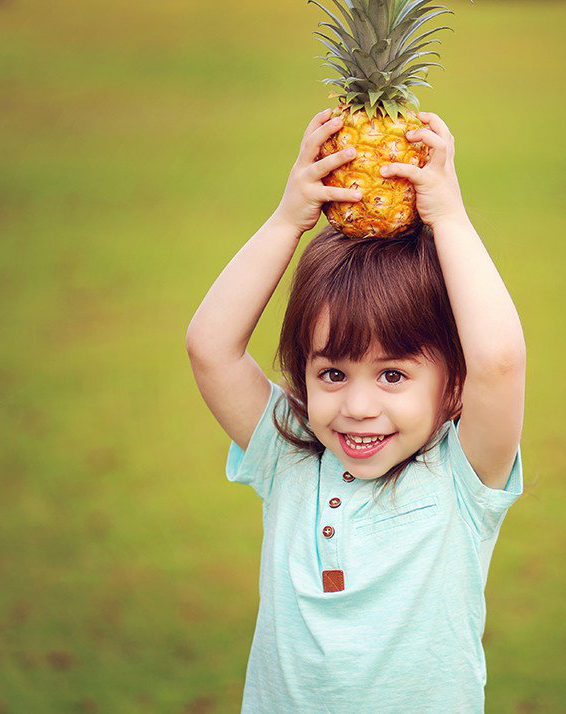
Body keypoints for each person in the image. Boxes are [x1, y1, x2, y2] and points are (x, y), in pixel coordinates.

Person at [185, 108, 526, 712]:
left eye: (393, 375)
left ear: (454, 392)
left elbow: (498, 361)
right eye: (333, 373)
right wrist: (289, 220)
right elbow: (210, 348)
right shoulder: (289, 456)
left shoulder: (462, 479)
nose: (357, 407)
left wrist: (447, 217)